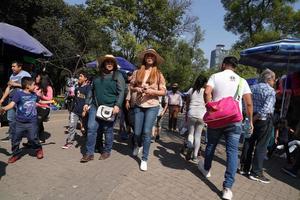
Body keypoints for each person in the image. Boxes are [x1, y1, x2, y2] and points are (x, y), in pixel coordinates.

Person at [198, 56, 253, 200]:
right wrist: (251, 121)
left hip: (217, 119)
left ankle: (206, 169)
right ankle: (227, 188)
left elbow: (206, 92)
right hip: (235, 120)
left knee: (211, 145)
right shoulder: (242, 81)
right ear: (235, 66)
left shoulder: (215, 76)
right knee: (232, 153)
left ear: (223, 65)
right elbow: (248, 104)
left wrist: (210, 107)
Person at [80, 55, 125, 162]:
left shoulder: (117, 75)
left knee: (107, 130)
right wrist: (87, 103)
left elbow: (121, 91)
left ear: (114, 64)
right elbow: (91, 90)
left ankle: (107, 151)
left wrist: (117, 105)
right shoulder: (97, 76)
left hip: (110, 108)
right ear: (103, 63)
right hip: (95, 106)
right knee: (91, 128)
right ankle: (89, 153)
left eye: (111, 62)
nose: (109, 64)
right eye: (107, 62)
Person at [0, 77, 52, 163]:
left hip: (32, 121)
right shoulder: (18, 94)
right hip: (19, 122)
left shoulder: (34, 95)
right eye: (33, 85)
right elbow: (12, 105)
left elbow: (40, 102)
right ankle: (15, 154)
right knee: (15, 140)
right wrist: (4, 108)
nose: (35, 86)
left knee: (33, 138)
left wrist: (50, 101)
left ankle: (38, 149)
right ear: (28, 86)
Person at [130, 48, 166, 171]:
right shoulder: (137, 72)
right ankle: (137, 144)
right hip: (139, 105)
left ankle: (144, 159)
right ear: (144, 58)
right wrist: (137, 89)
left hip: (152, 105)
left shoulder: (159, 74)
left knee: (146, 132)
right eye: (147, 55)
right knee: (137, 132)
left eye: (152, 56)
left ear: (155, 58)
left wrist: (152, 91)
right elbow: (131, 86)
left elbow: (163, 91)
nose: (149, 57)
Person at [239, 69, 276, 184]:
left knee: (248, 141)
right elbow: (266, 109)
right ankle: (256, 172)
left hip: (251, 116)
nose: (274, 82)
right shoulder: (271, 91)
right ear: (269, 79)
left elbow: (245, 104)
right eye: (274, 79)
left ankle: (244, 167)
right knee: (261, 146)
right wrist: (254, 119)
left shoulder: (252, 88)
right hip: (263, 120)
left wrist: (249, 118)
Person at [0, 61, 31, 142]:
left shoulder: (25, 74)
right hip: (12, 99)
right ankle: (11, 135)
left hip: (22, 99)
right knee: (10, 118)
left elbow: (29, 86)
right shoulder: (12, 75)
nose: (12, 68)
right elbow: (9, 88)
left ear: (19, 67)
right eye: (12, 66)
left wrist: (16, 84)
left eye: (14, 66)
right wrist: (2, 98)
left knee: (22, 118)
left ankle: (28, 135)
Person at [62, 70, 91, 149]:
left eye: (81, 76)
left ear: (85, 78)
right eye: (79, 76)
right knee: (71, 126)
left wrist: (85, 111)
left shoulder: (88, 88)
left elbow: (89, 101)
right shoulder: (77, 88)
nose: (79, 77)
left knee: (86, 128)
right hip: (75, 111)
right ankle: (69, 142)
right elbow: (75, 98)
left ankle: (87, 139)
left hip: (84, 112)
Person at [185, 75, 207, 162]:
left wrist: (187, 110)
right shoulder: (206, 91)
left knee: (191, 133)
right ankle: (194, 156)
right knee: (198, 136)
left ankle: (190, 146)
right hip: (202, 115)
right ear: (205, 83)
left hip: (192, 113)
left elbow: (187, 102)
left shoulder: (191, 90)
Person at [34, 72, 54, 143]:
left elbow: (50, 99)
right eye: (36, 77)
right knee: (38, 123)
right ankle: (41, 138)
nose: (36, 78)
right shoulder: (35, 86)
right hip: (35, 108)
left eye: (38, 77)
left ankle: (33, 141)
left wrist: (42, 96)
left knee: (36, 123)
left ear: (42, 79)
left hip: (44, 109)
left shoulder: (48, 88)